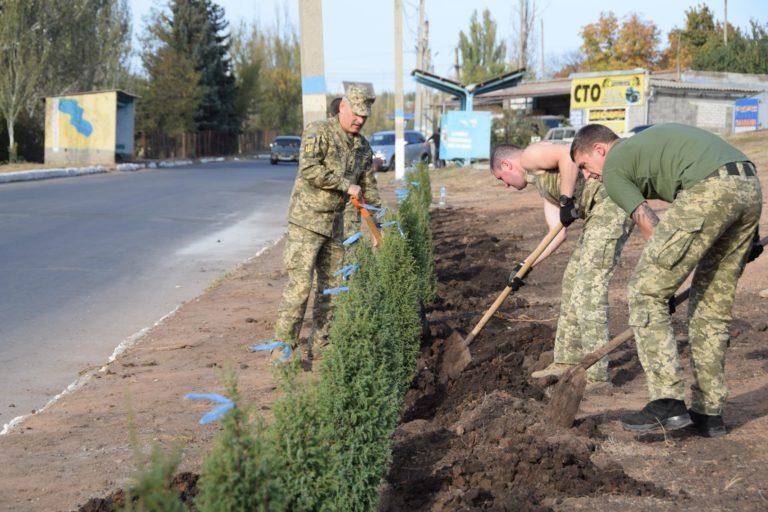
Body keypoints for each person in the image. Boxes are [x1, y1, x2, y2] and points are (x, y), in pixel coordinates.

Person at [570, 123, 763, 437]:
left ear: (600, 149)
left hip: (708, 190)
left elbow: (650, 226)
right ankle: (708, 414)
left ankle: (667, 401)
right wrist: (749, 235)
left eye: (583, 165)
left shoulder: (616, 166)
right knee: (710, 308)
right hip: (748, 185)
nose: (586, 175)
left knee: (645, 292)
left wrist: (663, 282)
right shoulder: (647, 144)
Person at [490, 141, 633, 388]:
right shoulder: (544, 186)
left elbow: (569, 155)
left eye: (501, 178)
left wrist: (567, 199)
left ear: (507, 164)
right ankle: (566, 361)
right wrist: (526, 265)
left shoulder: (530, 155)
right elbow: (556, 234)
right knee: (571, 281)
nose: (505, 185)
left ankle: (597, 375)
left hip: (612, 207)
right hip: (597, 218)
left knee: (589, 289)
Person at [272, 85, 379, 361]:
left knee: (332, 289)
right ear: (342, 106)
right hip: (308, 223)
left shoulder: (362, 147)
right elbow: (309, 169)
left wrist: (380, 223)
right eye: (355, 113)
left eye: (364, 117)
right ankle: (283, 351)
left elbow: (369, 186)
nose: (359, 120)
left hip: (338, 228)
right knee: (300, 287)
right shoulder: (318, 131)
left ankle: (320, 346)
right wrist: (346, 185)